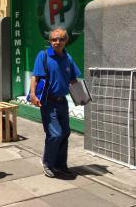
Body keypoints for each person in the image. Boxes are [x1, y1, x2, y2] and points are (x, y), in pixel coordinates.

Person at [30, 27, 81, 178]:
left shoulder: (68, 58)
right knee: (55, 133)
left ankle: (60, 165)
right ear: (49, 41)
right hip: (48, 102)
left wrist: (81, 97)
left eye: (61, 39)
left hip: (62, 102)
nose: (57, 42)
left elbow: (73, 79)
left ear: (66, 41)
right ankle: (48, 163)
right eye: (54, 39)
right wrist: (33, 94)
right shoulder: (43, 56)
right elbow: (35, 77)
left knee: (65, 133)